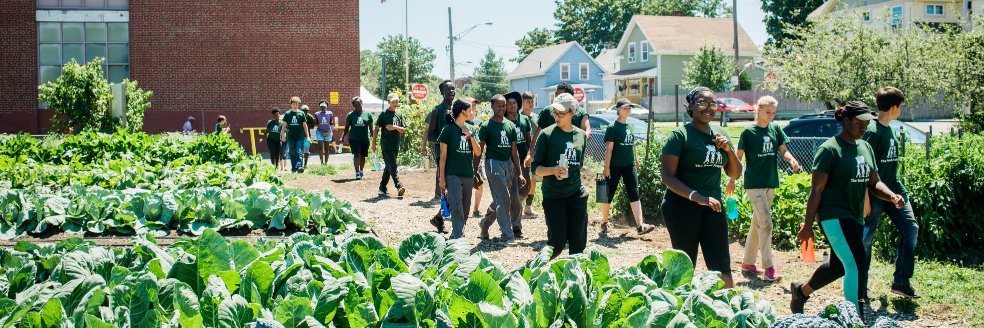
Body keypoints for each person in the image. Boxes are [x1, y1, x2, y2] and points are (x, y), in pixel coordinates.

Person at [790, 101, 905, 318]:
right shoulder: (829, 149)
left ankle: (801, 292)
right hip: (833, 215)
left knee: (838, 267)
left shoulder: (866, 147)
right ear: (846, 121)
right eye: (859, 122)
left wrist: (891, 195)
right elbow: (816, 190)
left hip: (854, 216)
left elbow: (873, 182)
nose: (864, 127)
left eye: (866, 123)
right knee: (856, 261)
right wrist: (808, 224)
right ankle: (856, 316)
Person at [660, 86, 742, 288]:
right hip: (681, 205)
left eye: (712, 103)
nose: (708, 107)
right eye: (702, 102)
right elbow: (667, 177)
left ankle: (729, 309)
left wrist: (728, 150)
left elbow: (735, 173)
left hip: (713, 206)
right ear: (690, 107)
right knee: (685, 264)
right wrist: (696, 196)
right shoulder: (680, 136)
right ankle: (677, 307)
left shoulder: (721, 134)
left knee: (721, 263)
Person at [726, 95, 801, 282]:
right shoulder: (748, 132)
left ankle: (748, 262)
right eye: (768, 112)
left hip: (770, 182)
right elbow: (738, 158)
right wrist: (732, 180)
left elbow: (783, 151)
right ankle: (769, 268)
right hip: (754, 184)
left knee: (758, 223)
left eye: (774, 113)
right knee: (766, 222)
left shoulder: (775, 129)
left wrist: (791, 159)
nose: (771, 116)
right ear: (758, 109)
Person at [861, 87, 920, 299]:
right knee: (866, 240)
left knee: (910, 228)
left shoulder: (889, 129)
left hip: (895, 192)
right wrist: (865, 199)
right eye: (901, 106)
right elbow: (863, 168)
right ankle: (860, 287)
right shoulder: (872, 132)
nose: (901, 110)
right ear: (894, 107)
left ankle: (901, 282)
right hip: (874, 196)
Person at [532, 94, 588, 260]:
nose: (556, 116)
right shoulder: (546, 135)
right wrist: (553, 170)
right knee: (557, 243)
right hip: (554, 196)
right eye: (554, 112)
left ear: (572, 113)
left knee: (578, 244)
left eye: (561, 113)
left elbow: (578, 166)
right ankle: (534, 266)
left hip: (576, 193)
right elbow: (536, 169)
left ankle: (575, 278)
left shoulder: (581, 135)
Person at [599, 99, 656, 235]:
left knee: (634, 192)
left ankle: (640, 226)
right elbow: (609, 149)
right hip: (614, 166)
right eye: (625, 108)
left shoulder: (630, 125)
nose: (628, 110)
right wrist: (606, 167)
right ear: (618, 110)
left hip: (629, 165)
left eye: (629, 108)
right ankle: (605, 222)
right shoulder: (612, 127)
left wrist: (635, 159)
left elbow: (632, 144)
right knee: (607, 193)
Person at [477, 95, 526, 245]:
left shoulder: (510, 125)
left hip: (508, 163)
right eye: (498, 106)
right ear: (492, 107)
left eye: (503, 106)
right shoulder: (486, 126)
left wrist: (520, 173)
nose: (501, 108)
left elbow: (514, 152)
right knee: (503, 199)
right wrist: (475, 172)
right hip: (493, 163)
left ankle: (485, 223)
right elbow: (479, 150)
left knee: (507, 199)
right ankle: (507, 235)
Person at [438, 99, 483, 239]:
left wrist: (470, 136)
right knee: (456, 206)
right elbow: (443, 157)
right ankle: (459, 237)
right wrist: (442, 178)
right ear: (463, 112)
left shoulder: (470, 128)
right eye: (470, 109)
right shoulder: (447, 130)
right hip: (452, 175)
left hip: (468, 174)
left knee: (465, 208)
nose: (472, 111)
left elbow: (478, 152)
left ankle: (457, 233)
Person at [424, 80, 456, 200]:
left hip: (455, 150)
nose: (451, 91)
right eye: (448, 89)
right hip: (441, 150)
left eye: (453, 88)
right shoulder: (437, 111)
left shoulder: (457, 109)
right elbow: (430, 136)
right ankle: (440, 196)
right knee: (442, 170)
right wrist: (445, 142)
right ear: (442, 92)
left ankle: (443, 195)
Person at [505, 91, 534, 222]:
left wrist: (530, 154)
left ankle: (517, 205)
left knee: (525, 190)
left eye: (514, 103)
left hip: (524, 161)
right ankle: (514, 218)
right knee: (513, 191)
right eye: (509, 104)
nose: (512, 106)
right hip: (509, 161)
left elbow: (529, 140)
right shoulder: (504, 121)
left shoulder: (525, 120)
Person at [373, 93, 407, 197]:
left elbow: (403, 130)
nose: (395, 103)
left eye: (396, 101)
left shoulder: (399, 114)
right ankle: (399, 185)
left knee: (389, 167)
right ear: (388, 102)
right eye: (393, 102)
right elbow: (377, 128)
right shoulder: (383, 114)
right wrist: (373, 142)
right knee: (393, 165)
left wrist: (394, 127)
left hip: (395, 145)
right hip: (386, 145)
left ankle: (382, 188)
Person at [343, 97, 373, 180]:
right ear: (353, 106)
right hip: (354, 138)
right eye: (355, 104)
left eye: (359, 103)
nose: (358, 105)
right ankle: (357, 173)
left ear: (361, 103)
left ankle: (361, 171)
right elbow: (346, 127)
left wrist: (373, 138)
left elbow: (371, 128)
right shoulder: (350, 115)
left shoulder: (368, 114)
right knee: (356, 154)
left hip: (364, 138)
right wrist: (343, 137)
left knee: (363, 156)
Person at [282, 96, 310, 173]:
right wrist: (283, 135)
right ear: (291, 104)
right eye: (294, 104)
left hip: (300, 137)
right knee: (292, 152)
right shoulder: (287, 114)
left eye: (297, 104)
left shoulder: (301, 113)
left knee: (299, 151)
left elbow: (305, 125)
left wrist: (307, 136)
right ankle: (294, 168)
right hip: (290, 136)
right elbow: (284, 125)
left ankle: (299, 166)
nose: (295, 106)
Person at [521, 92, 539, 216]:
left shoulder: (536, 117)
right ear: (522, 102)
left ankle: (528, 206)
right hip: (522, 153)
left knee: (534, 179)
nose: (531, 104)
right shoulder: (519, 117)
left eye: (532, 101)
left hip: (536, 153)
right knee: (523, 179)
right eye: (528, 101)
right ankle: (518, 204)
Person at [315, 100, 336, 165]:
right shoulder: (317, 114)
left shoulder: (330, 113)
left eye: (324, 107)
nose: (323, 109)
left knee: (327, 148)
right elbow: (316, 123)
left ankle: (326, 163)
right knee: (321, 147)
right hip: (320, 132)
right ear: (320, 107)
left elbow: (331, 122)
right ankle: (321, 162)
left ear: (326, 107)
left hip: (328, 132)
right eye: (321, 107)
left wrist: (332, 129)